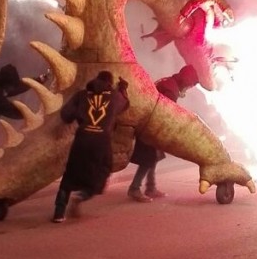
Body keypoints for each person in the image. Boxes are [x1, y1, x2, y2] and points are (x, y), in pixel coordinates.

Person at [52, 70, 129, 222]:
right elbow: (125, 104)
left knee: (70, 173)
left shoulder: (81, 95)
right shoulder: (114, 97)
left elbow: (66, 115)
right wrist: (122, 88)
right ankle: (83, 195)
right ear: (109, 83)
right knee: (103, 171)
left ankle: (59, 213)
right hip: (101, 140)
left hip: (82, 138)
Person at [127, 63, 199, 202]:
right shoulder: (171, 90)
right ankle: (134, 188)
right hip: (149, 126)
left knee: (153, 157)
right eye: (190, 85)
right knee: (148, 158)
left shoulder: (168, 82)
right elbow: (165, 114)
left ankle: (151, 187)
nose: (189, 88)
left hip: (148, 123)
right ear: (186, 80)